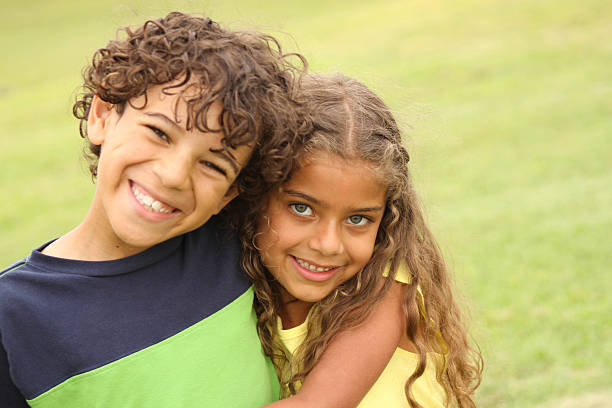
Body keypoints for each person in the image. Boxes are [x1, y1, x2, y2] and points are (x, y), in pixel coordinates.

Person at [0, 12, 308, 407]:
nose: (175, 175)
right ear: (103, 115)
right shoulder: (13, 318)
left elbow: (377, 280)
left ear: (230, 194)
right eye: (159, 132)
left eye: (213, 164)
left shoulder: (239, 247)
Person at [231, 74, 483, 407]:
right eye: (302, 208)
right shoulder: (245, 286)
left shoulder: (385, 292)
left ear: (386, 219)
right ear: (256, 195)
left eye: (357, 219)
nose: (329, 244)